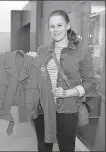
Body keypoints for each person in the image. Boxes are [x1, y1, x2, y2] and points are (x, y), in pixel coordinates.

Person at [27, 10, 97, 152]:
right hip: (43, 108)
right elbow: (37, 77)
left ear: (68, 25)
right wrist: (31, 62)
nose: (55, 30)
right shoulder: (42, 50)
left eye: (59, 25)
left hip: (67, 109)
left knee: (66, 147)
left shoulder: (81, 51)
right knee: (43, 147)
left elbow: (91, 82)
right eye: (52, 26)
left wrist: (68, 93)